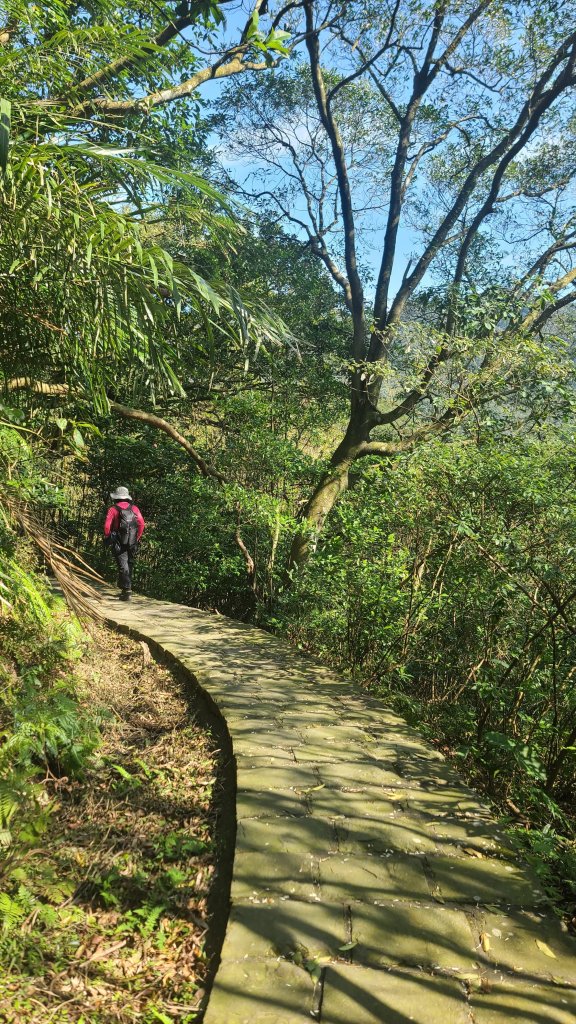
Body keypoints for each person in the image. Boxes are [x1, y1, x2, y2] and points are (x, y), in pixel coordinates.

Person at [103, 486, 145, 601]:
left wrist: (108, 536)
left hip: (119, 541)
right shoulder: (134, 508)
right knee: (129, 563)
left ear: (116, 497)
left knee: (123, 565)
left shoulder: (113, 509)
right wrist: (137, 537)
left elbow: (107, 526)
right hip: (132, 541)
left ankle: (127, 590)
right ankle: (125, 589)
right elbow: (141, 524)